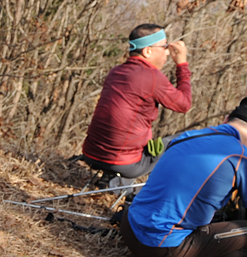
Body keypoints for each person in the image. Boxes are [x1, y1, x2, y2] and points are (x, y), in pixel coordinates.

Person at [119, 97, 247, 257]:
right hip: (163, 251)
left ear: (226, 119)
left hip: (129, 229)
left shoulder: (187, 136)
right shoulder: (244, 156)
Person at [82, 24, 192, 180]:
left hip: (90, 154)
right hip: (123, 164)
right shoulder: (152, 76)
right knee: (188, 140)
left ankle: (115, 181)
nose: (167, 52)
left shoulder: (115, 72)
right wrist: (182, 64)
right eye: (164, 46)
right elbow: (184, 104)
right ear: (147, 51)